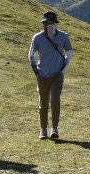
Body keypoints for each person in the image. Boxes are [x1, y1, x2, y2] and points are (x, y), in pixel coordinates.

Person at [29, 10, 73, 140]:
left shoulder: (63, 37)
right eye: (48, 23)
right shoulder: (37, 38)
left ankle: (54, 128)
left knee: (55, 100)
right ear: (43, 24)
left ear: (56, 24)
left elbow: (69, 53)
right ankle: (43, 130)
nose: (50, 25)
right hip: (42, 75)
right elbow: (31, 54)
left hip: (56, 75)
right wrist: (36, 71)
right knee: (43, 104)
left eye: (52, 23)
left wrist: (62, 70)